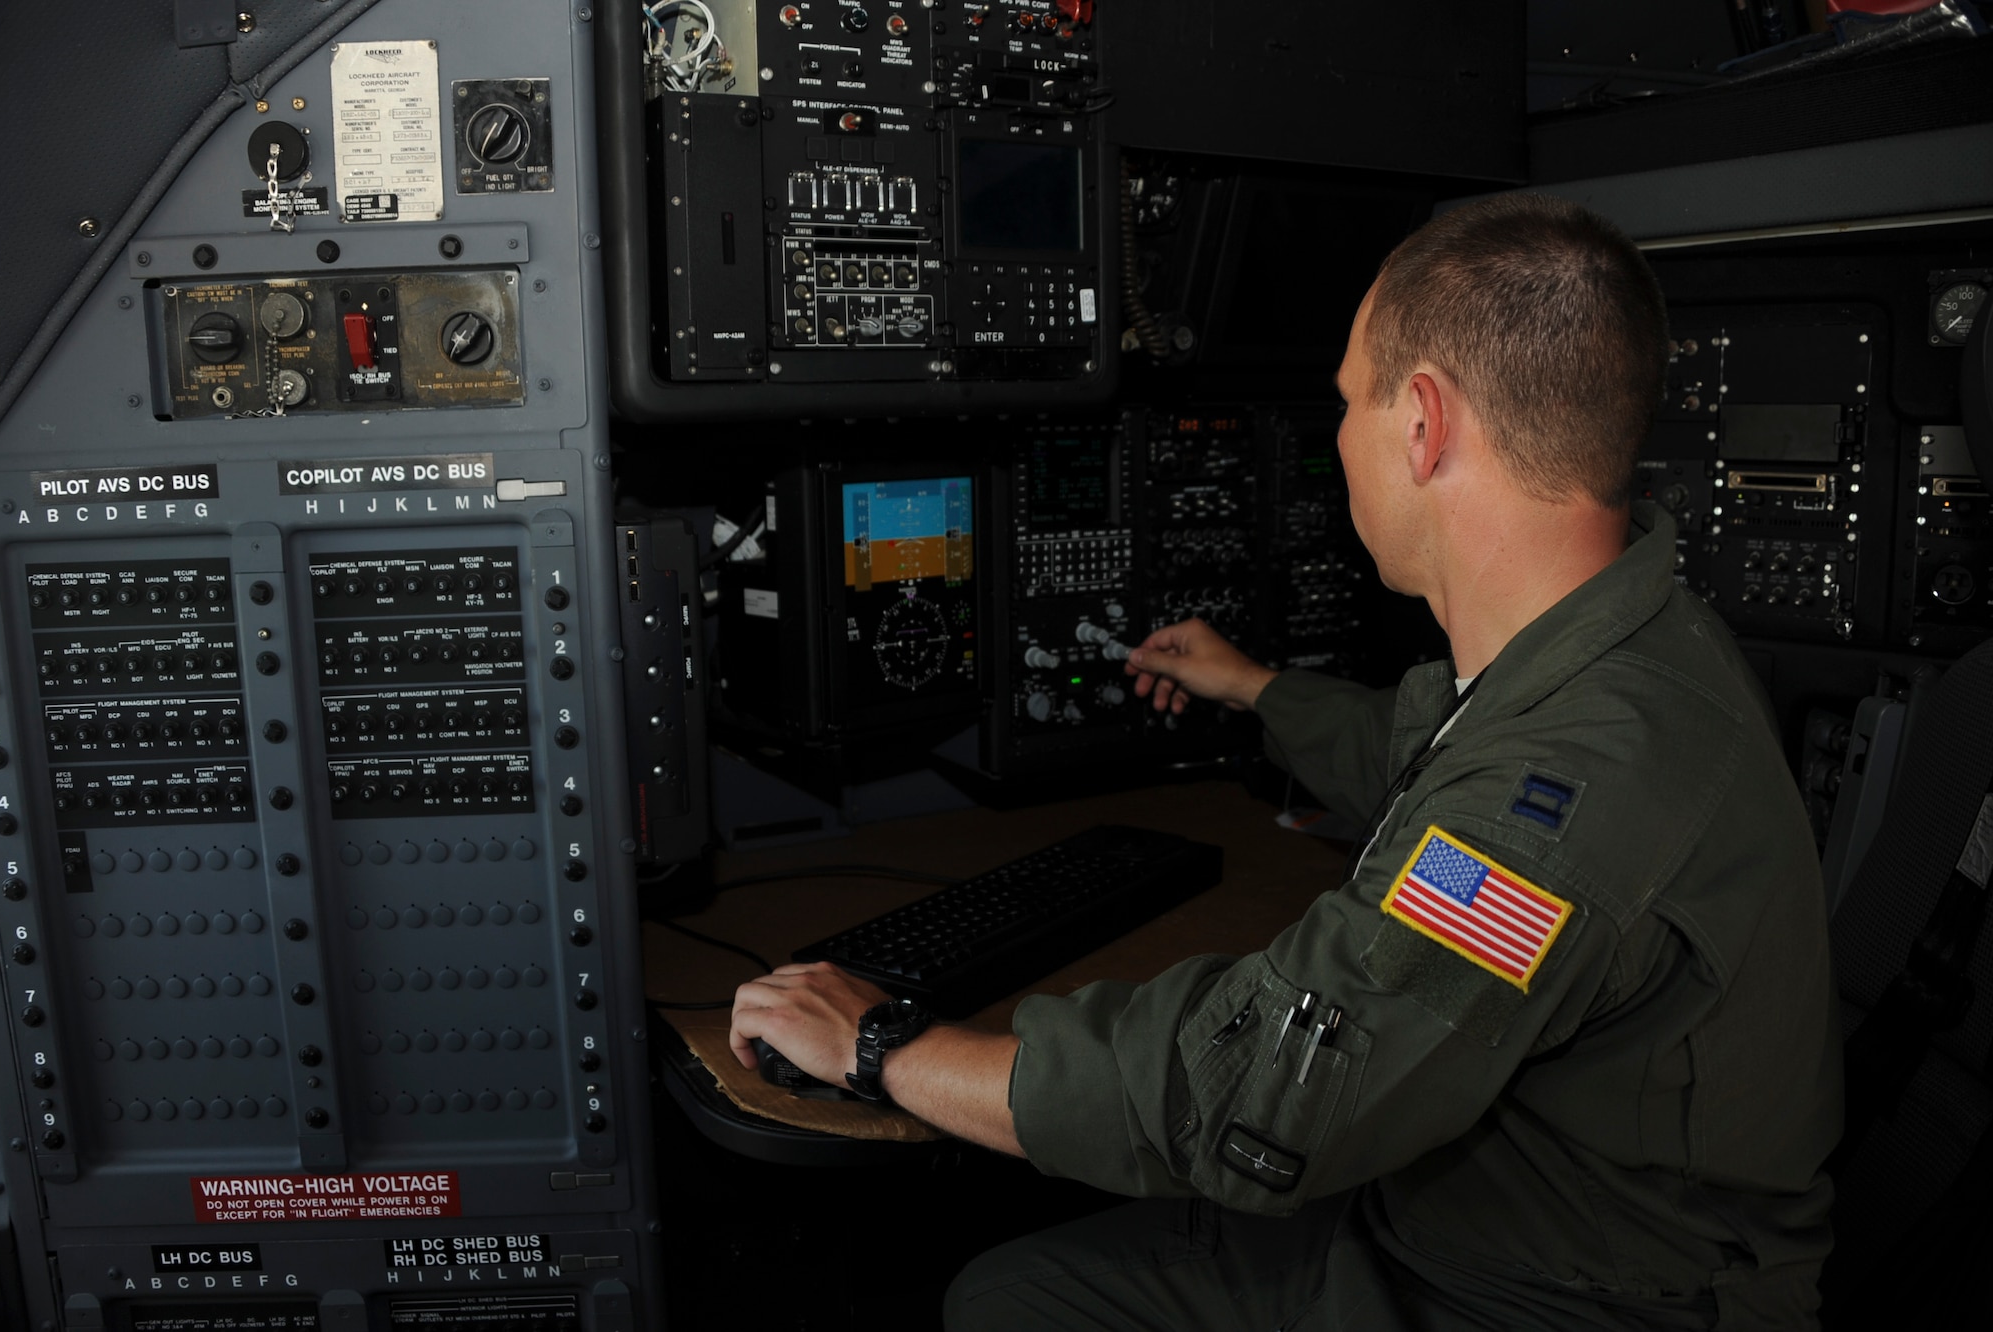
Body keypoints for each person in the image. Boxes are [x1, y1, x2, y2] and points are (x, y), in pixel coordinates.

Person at [727, 194, 1841, 1330]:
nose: (1340, 432)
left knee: (1009, 1304)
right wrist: (1254, 688)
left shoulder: (1545, 812)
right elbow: (1431, 755)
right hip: (1518, 1219)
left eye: (1346, 398)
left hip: (1550, 1294)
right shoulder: (1633, 637)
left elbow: (1264, 1092)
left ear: (1421, 423)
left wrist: (887, 1049)